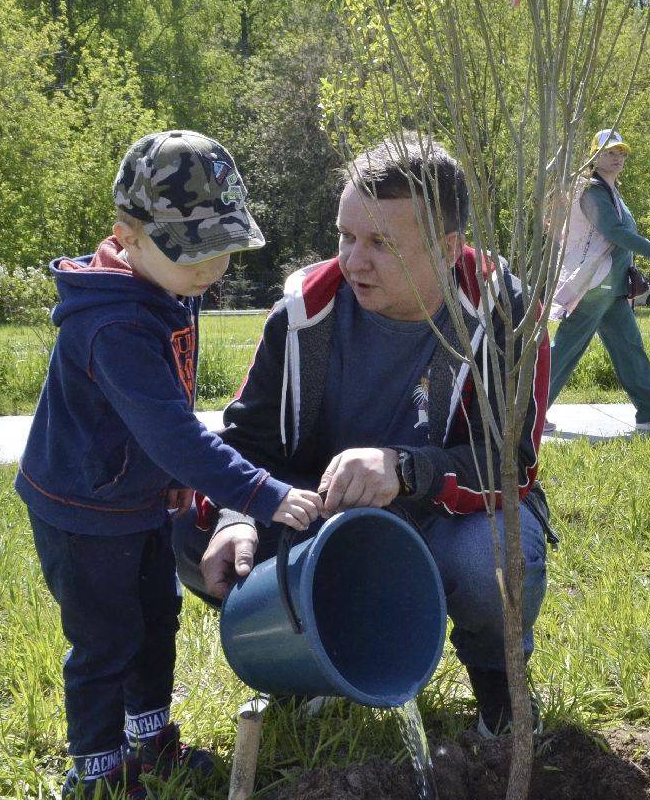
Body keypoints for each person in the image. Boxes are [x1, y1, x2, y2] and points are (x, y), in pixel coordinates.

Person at [174, 133, 555, 738]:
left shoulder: (504, 315)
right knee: (190, 525)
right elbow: (245, 441)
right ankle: (309, 668)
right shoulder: (305, 313)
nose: (353, 261)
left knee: (495, 558)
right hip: (319, 515)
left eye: (381, 243)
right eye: (346, 236)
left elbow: (513, 463)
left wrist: (405, 469)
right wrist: (234, 516)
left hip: (446, 513)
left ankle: (499, 694)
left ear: (449, 247)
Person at [15, 129, 322, 800]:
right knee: (104, 642)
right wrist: (260, 493)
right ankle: (94, 780)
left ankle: (149, 742)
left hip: (137, 499)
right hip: (83, 508)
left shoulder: (167, 285)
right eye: (193, 251)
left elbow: (165, 419)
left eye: (221, 247)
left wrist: (169, 483)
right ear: (126, 235)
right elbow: (169, 430)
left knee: (157, 620)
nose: (209, 269)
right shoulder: (113, 325)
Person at [545, 129, 650, 434]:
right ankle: (526, 412)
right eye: (610, 152)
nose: (617, 157)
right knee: (566, 350)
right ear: (595, 156)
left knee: (629, 346)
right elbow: (615, 232)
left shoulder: (610, 190)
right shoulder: (593, 192)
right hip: (595, 288)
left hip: (612, 287)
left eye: (621, 152)